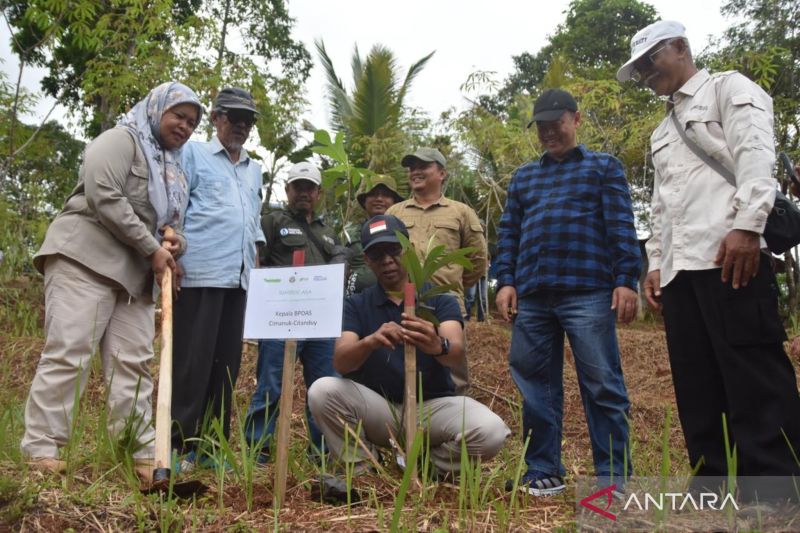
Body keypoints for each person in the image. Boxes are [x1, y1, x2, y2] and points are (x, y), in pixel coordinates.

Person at [617, 20, 800, 488]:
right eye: (638, 67)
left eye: (651, 59)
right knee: (696, 383)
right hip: (681, 272)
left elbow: (755, 155)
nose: (645, 73)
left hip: (731, 259)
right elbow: (662, 205)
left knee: (753, 376)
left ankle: (775, 488)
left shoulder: (728, 89)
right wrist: (656, 263)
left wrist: (746, 227)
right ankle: (713, 483)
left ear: (681, 47)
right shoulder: (662, 130)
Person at [21, 82, 202, 481]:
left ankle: (140, 456)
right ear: (157, 110)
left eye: (192, 122)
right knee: (70, 352)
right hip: (84, 261)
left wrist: (175, 243)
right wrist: (151, 247)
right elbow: (104, 194)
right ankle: (42, 450)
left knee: (134, 366)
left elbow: (172, 226)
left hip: (134, 281)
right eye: (178, 116)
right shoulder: (122, 140)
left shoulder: (175, 170)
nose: (185, 127)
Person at [495, 88, 641, 496]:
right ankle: (543, 470)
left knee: (602, 384)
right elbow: (509, 233)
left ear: (576, 120)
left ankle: (613, 478)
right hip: (534, 295)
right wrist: (505, 280)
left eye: (556, 124)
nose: (548, 133)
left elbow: (621, 227)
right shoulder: (525, 177)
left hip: (589, 292)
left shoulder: (603, 168)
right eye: (541, 127)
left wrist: (625, 280)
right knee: (535, 384)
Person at [308, 214, 509, 482]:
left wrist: (436, 344)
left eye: (393, 250)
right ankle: (365, 471)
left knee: (491, 431)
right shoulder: (357, 304)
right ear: (367, 260)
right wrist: (371, 341)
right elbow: (342, 362)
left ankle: (429, 468)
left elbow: (457, 351)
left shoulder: (438, 299)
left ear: (409, 250)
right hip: (381, 410)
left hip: (431, 409)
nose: (387, 260)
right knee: (322, 390)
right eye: (377, 254)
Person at [170, 87, 265, 468]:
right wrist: (172, 258)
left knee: (226, 365)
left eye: (248, 120)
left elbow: (253, 224)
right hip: (200, 273)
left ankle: (210, 448)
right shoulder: (192, 154)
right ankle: (178, 445)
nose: (241, 125)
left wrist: (255, 271)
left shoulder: (254, 168)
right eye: (234, 117)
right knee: (192, 363)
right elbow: (175, 208)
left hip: (239, 279)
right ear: (216, 118)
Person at [245, 161, 347, 463]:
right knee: (270, 383)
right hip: (280, 318)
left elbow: (341, 264)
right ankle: (258, 450)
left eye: (310, 188)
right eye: (298, 187)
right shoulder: (272, 221)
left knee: (324, 384)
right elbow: (256, 261)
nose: (304, 193)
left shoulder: (329, 232)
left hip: (320, 322)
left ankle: (322, 451)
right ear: (287, 190)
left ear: (318, 193)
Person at [386, 148, 487, 391]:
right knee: (400, 368)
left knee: (453, 373)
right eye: (412, 167)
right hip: (403, 302)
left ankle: (459, 423)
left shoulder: (460, 212)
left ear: (442, 173)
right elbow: (384, 255)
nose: (416, 171)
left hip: (446, 303)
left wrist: (452, 286)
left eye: (424, 166)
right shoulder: (394, 213)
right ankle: (405, 423)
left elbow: (477, 259)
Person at [345, 174, 403, 295]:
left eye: (386, 195)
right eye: (373, 194)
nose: (379, 199)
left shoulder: (404, 233)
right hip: (357, 303)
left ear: (395, 202)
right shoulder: (348, 234)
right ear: (364, 202)